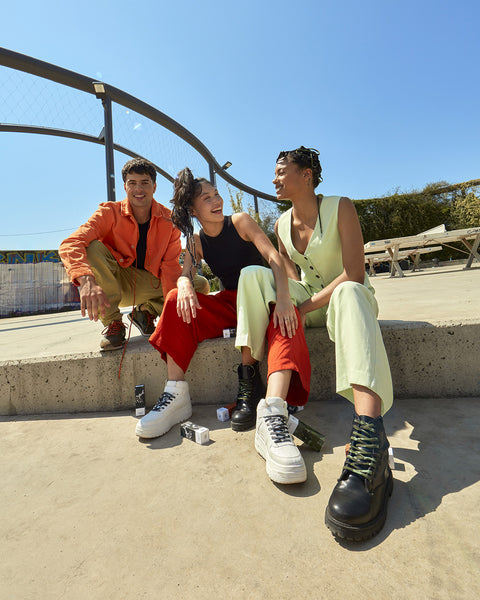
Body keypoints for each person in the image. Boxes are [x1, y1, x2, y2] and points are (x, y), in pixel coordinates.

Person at [235, 146, 394, 541]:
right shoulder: (281, 223)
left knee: (351, 292)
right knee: (252, 276)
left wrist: (301, 306)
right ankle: (249, 378)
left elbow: (354, 272)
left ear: (306, 175)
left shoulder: (341, 207)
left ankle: (370, 435)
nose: (274, 179)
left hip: (348, 299)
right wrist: (288, 299)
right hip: (309, 303)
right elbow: (288, 276)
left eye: (280, 171)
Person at [135, 167, 299, 440]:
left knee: (248, 278)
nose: (217, 201)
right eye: (207, 198)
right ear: (193, 210)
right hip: (232, 304)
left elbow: (273, 258)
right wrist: (185, 283)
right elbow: (185, 274)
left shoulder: (241, 221)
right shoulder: (195, 241)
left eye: (217, 194)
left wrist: (284, 298)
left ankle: (249, 382)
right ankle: (176, 393)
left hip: (266, 297)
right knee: (176, 298)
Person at [59, 158, 207, 351]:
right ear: (125, 187)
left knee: (199, 284)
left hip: (150, 282)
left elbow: (170, 269)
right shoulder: (109, 212)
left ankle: (145, 311)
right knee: (93, 247)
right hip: (115, 282)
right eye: (132, 183)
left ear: (154, 187)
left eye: (145, 183)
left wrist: (173, 317)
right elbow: (70, 243)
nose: (139, 189)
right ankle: (114, 324)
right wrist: (86, 280)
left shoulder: (169, 220)